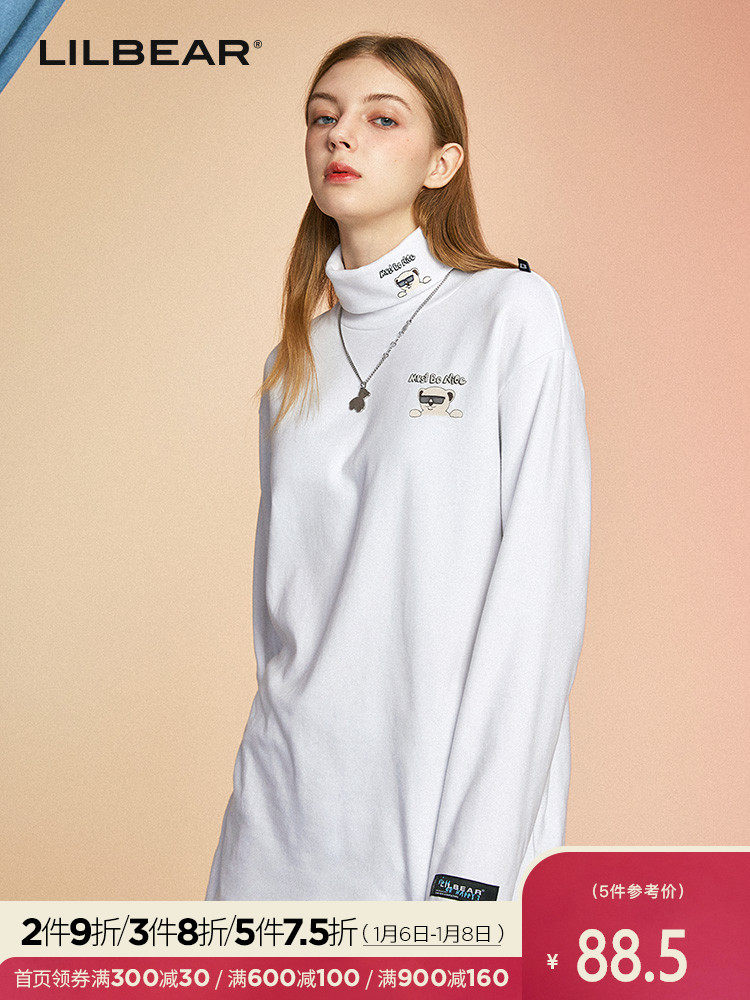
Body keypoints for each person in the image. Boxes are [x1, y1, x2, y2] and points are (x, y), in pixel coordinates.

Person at [205, 33, 591, 902]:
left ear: (441, 162)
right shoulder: (290, 366)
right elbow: (281, 621)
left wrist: (477, 864)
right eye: (323, 117)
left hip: (437, 811)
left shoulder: (510, 313)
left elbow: (538, 602)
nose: (340, 136)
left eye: (382, 119)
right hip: (279, 812)